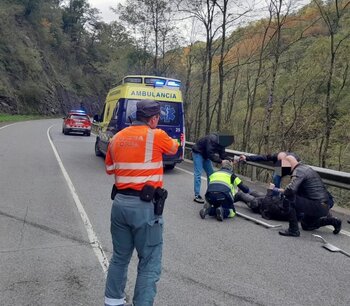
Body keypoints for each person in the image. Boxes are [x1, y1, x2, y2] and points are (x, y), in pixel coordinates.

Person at [104, 100, 179, 306]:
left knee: (119, 257)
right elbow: (174, 148)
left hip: (119, 204)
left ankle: (112, 302)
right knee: (149, 262)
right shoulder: (157, 135)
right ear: (154, 118)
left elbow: (110, 169)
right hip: (145, 209)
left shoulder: (117, 137)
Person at [276, 155, 342, 237]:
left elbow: (291, 190)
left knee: (287, 198)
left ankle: (293, 230)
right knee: (307, 225)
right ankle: (333, 221)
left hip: (317, 205)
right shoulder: (306, 169)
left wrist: (284, 192)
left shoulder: (298, 171)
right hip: (324, 205)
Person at [192, 133, 234, 203]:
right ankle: (197, 195)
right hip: (198, 153)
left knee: (211, 174)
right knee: (198, 173)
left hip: (206, 155)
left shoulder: (222, 143)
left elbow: (222, 155)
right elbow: (210, 154)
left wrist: (229, 160)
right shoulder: (212, 139)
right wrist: (221, 161)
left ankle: (210, 192)